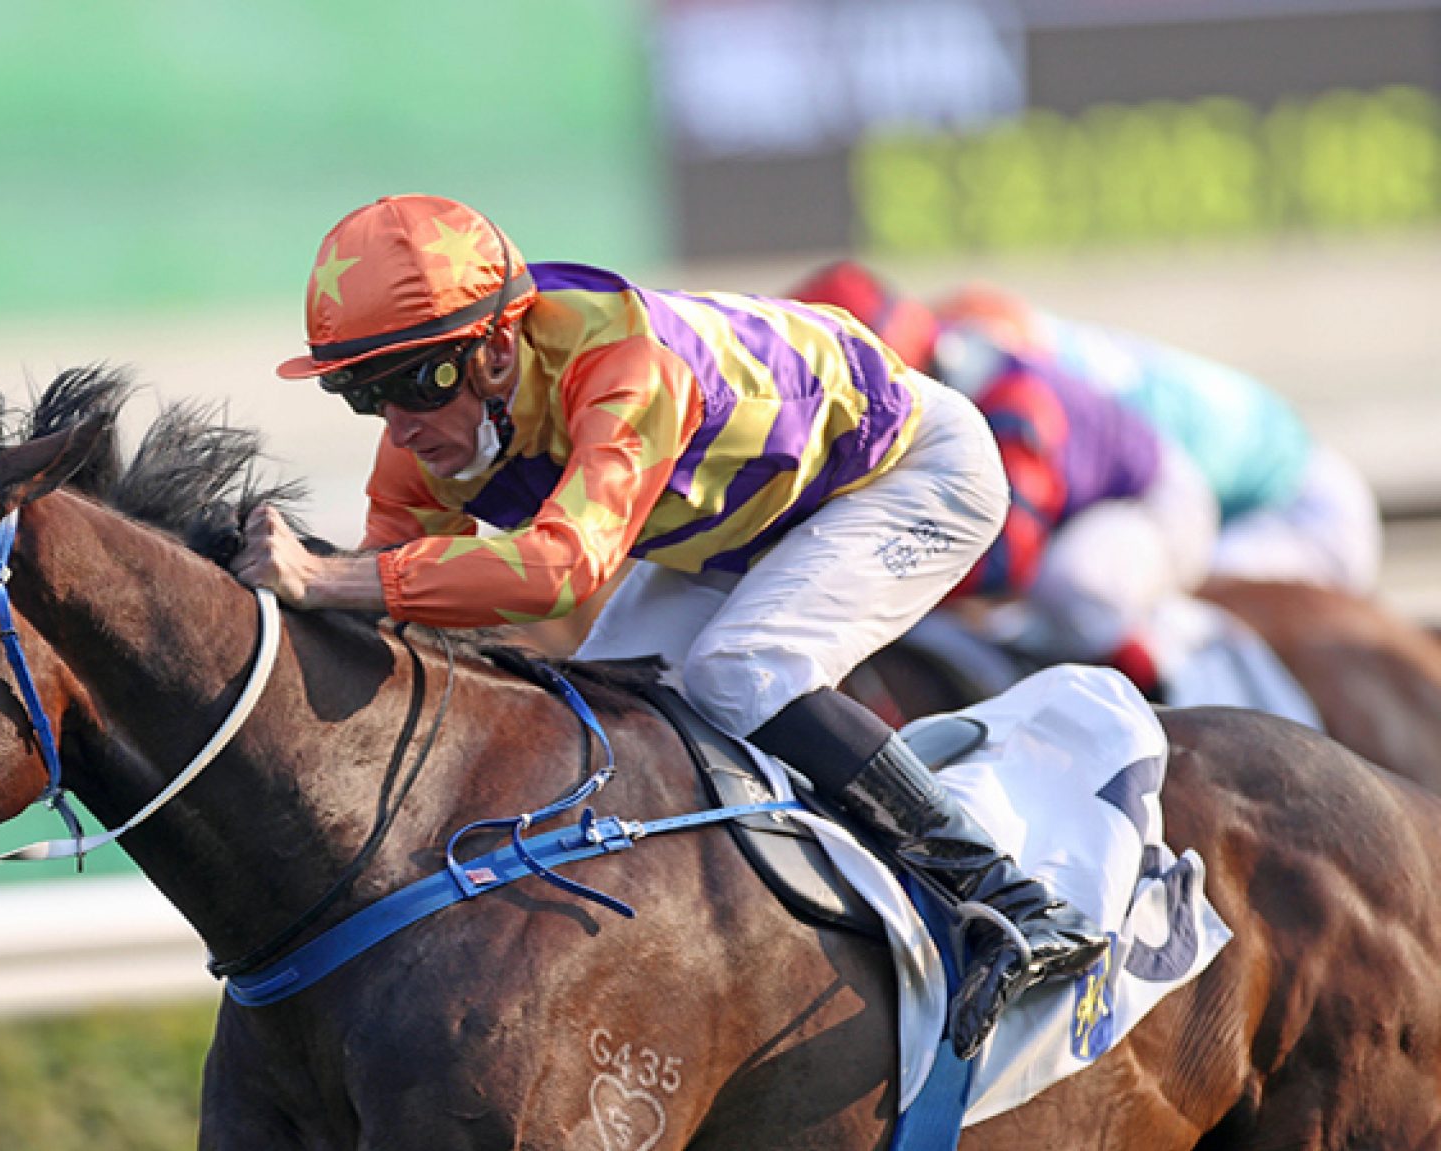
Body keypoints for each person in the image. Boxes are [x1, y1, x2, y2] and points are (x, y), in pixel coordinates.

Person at [236, 194, 1106, 1057]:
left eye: (415, 382)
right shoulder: (432, 431)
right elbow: (384, 590)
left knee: (744, 671)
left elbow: (561, 571)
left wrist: (327, 575)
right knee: (596, 712)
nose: (398, 424)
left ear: (497, 349)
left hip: (909, 471)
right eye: (364, 394)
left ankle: (1012, 898)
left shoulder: (626, 366)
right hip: (741, 522)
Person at [788, 262, 1222, 697]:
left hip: (1150, 498)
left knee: (1073, 587)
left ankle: (1162, 697)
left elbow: (1006, 557)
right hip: (1057, 503)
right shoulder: (926, 359)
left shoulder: (1012, 403)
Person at [935, 281, 1382, 595]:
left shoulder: (1050, 388)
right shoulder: (1053, 353)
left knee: (1152, 601)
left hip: (1300, 514)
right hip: (1283, 482)